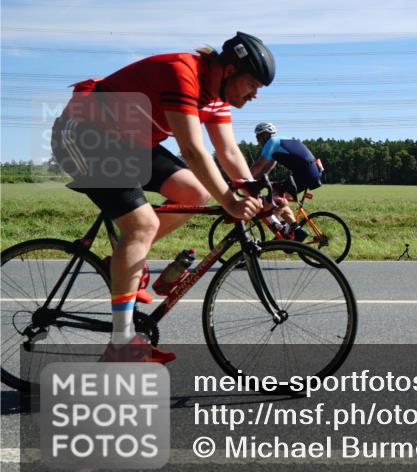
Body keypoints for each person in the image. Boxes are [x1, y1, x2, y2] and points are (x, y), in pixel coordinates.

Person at [51, 32, 275, 363]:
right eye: (252, 84)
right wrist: (229, 200)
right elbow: (192, 150)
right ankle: (121, 344)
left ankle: (119, 262)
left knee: (194, 192)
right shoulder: (182, 71)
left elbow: (228, 151)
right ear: (229, 71)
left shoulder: (217, 97)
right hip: (83, 136)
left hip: (128, 142)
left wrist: (255, 194)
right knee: (141, 225)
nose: (255, 94)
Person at [249, 122, 324, 240]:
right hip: (308, 171)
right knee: (276, 193)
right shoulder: (280, 141)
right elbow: (269, 167)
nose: (257, 141)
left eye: (258, 137)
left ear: (264, 135)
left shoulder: (271, 143)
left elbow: (258, 166)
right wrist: (258, 180)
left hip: (305, 173)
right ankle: (295, 230)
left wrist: (244, 180)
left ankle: (283, 230)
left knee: (273, 202)